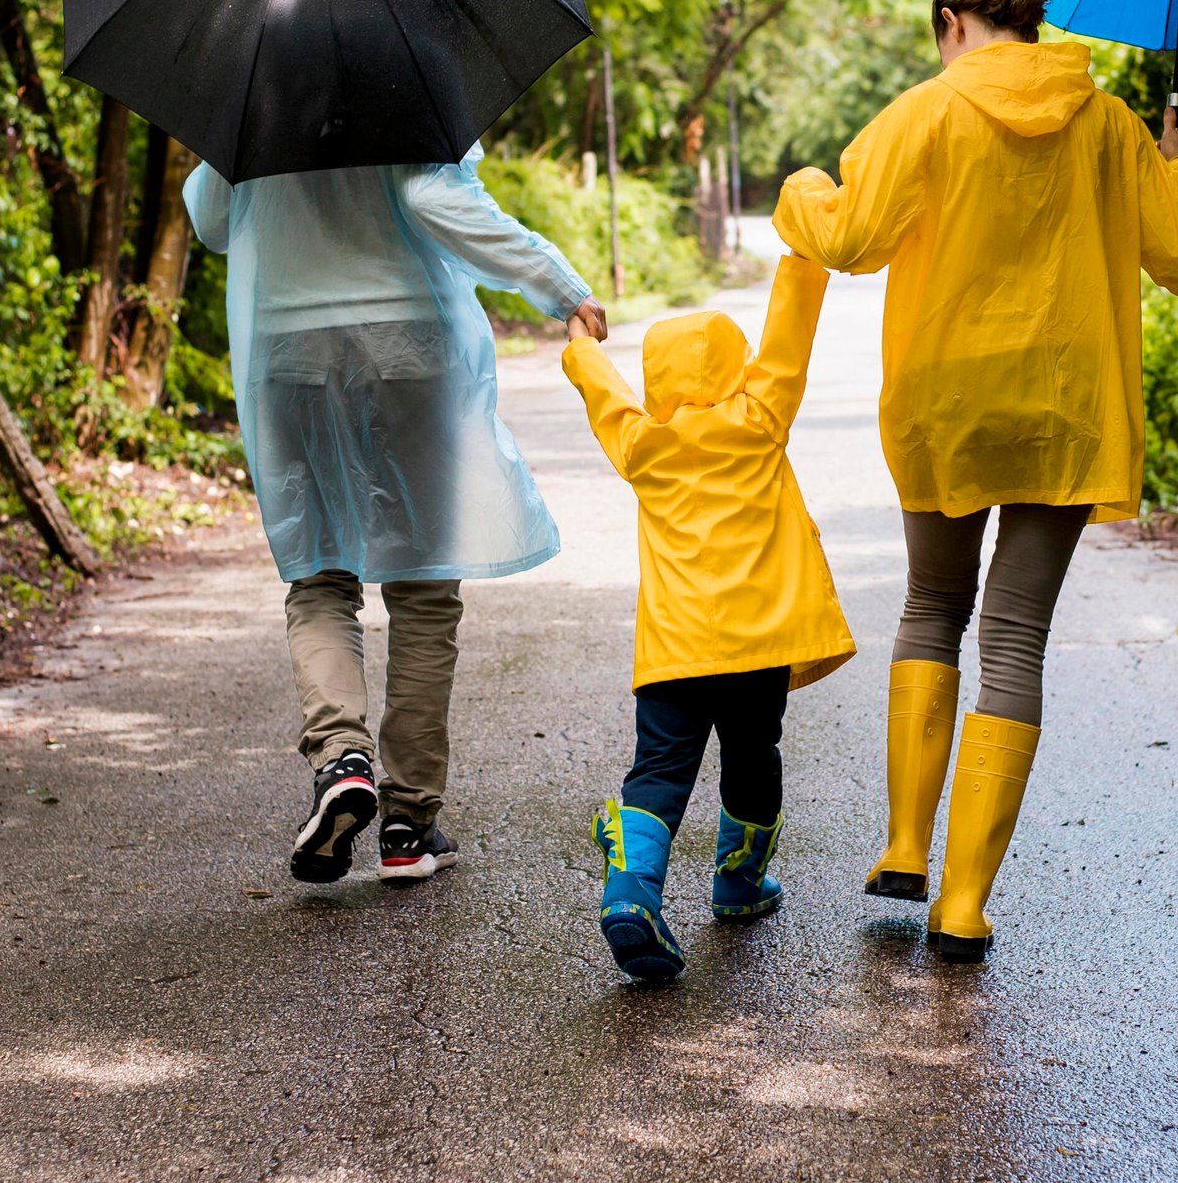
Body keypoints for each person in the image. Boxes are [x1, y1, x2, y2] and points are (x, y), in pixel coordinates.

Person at [773, 0, 1178, 963]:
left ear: (951, 24)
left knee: (932, 606)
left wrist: (803, 188)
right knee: (1014, 638)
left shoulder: (924, 115)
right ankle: (966, 904)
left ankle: (902, 842)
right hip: (1064, 407)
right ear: (1033, 27)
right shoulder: (1107, 123)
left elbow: (847, 237)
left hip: (948, 404)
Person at [183, 151, 605, 886]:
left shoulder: (254, 82)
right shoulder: (408, 61)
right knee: (423, 581)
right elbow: (439, 201)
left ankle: (342, 760)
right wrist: (558, 285)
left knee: (318, 574)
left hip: (288, 347)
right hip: (408, 342)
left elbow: (212, 220)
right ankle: (408, 822)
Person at [561, 254, 856, 980]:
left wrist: (580, 343)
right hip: (756, 650)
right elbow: (790, 333)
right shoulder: (760, 418)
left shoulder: (642, 443)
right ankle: (738, 884)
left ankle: (631, 893)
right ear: (738, 367)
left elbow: (602, 390)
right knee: (753, 762)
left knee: (660, 770)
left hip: (674, 654)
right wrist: (803, 253)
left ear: (657, 383)